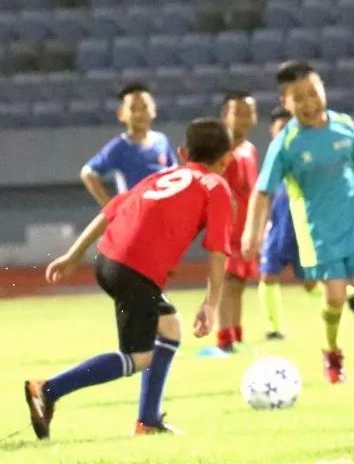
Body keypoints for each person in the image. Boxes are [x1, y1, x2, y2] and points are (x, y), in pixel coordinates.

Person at [24, 119, 234, 438]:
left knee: (170, 328)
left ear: (183, 153)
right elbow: (218, 252)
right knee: (138, 357)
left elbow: (110, 211)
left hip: (108, 260)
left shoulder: (161, 176)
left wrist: (73, 255)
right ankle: (48, 389)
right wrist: (211, 304)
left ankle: (148, 421)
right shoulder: (215, 186)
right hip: (135, 271)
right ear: (227, 159)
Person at [241, 61, 354, 384]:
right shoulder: (286, 143)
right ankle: (332, 352)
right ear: (285, 102)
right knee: (335, 296)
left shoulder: (344, 124)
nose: (309, 103)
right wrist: (253, 232)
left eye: (313, 93)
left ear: (323, 90)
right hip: (319, 232)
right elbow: (263, 191)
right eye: (298, 97)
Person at [257, 105, 317, 341]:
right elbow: (263, 195)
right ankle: (274, 329)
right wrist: (261, 228)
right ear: (272, 131)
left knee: (311, 284)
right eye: (280, 128)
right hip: (277, 230)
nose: (284, 133)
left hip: (302, 229)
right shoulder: (273, 160)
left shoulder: (306, 157)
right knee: (268, 276)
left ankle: (350, 300)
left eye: (288, 128)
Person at [210, 91, 260, 354]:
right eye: (238, 112)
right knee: (227, 281)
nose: (244, 118)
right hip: (226, 230)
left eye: (248, 112)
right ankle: (223, 338)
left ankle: (237, 335)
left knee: (240, 282)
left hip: (246, 229)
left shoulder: (249, 149)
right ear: (224, 116)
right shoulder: (220, 152)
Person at [80, 82, 178, 206]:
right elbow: (88, 173)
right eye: (133, 109)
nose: (139, 114)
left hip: (163, 210)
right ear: (121, 114)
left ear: (154, 111)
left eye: (144, 107)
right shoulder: (119, 147)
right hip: (135, 213)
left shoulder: (162, 140)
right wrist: (110, 207)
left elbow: (174, 172)